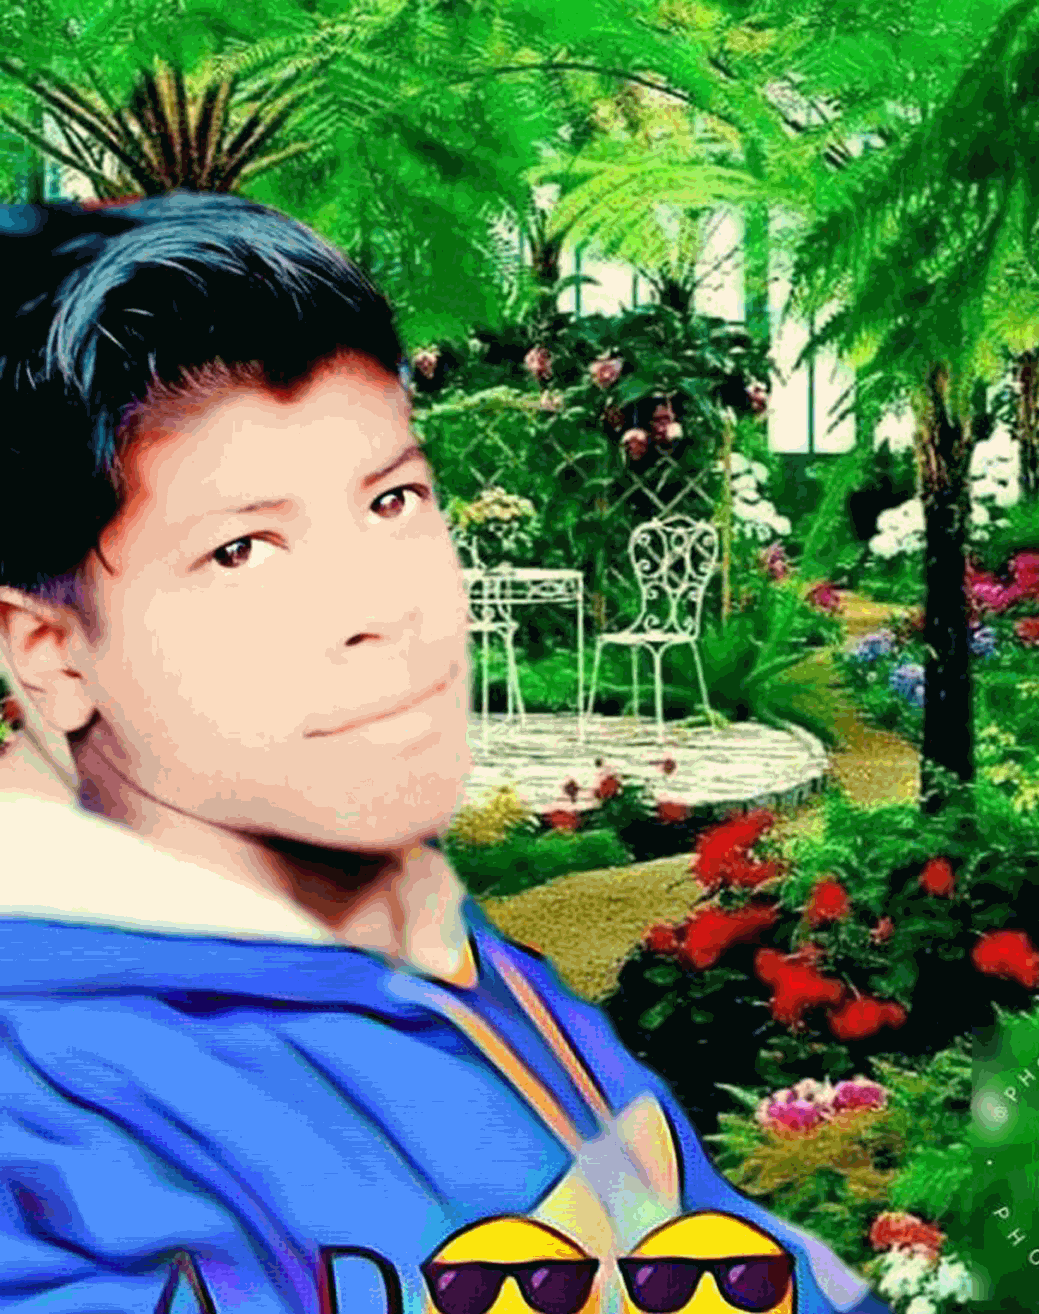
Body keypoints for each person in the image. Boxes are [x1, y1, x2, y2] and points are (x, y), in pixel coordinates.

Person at [0, 192, 892, 1314]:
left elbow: (703, 1238)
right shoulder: (47, 1110)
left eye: (392, 500)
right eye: (243, 550)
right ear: (51, 655)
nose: (384, 602)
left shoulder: (471, 969)